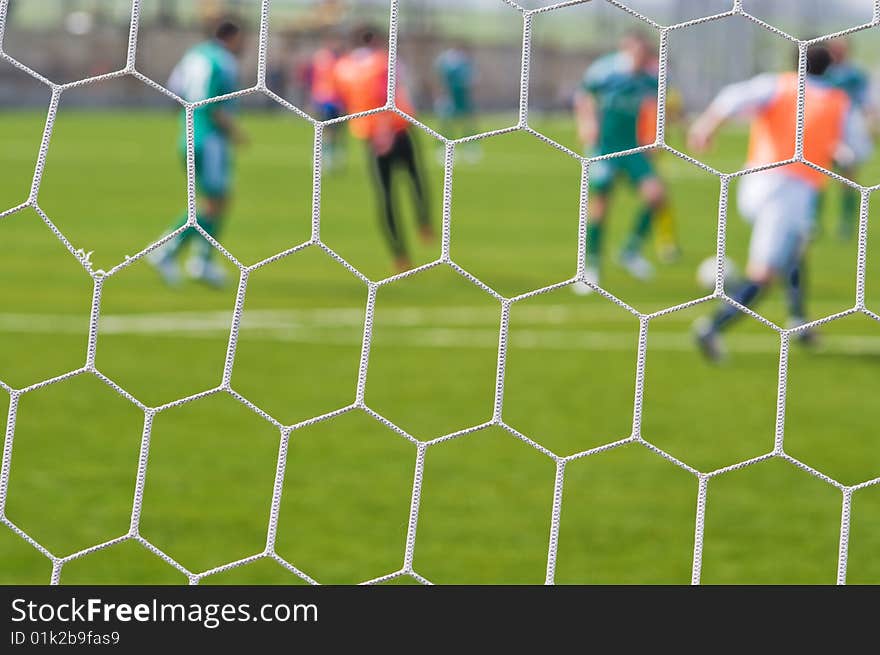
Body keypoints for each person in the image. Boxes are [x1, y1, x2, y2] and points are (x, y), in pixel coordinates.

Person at [687, 44, 871, 362]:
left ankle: (799, 320)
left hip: (755, 181)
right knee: (764, 274)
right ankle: (712, 327)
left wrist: (706, 127)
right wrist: (842, 157)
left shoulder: (777, 84)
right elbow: (859, 149)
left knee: (797, 247)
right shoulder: (838, 102)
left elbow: (731, 97)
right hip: (788, 192)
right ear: (831, 67)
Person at [150, 19, 247, 288]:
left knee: (217, 199)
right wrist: (235, 131)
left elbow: (175, 90)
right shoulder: (224, 61)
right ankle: (170, 251)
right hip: (211, 139)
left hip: (189, 134)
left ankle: (201, 260)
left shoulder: (193, 55)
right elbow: (214, 104)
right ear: (231, 35)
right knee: (214, 201)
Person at [572, 31, 668, 295]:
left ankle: (630, 251)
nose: (639, 59)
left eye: (644, 54)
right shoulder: (605, 71)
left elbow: (660, 105)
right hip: (605, 146)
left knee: (657, 195)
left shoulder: (651, 78)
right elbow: (583, 96)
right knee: (601, 202)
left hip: (634, 147)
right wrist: (587, 122)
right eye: (634, 53)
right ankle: (590, 268)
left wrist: (657, 135)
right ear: (625, 50)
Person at [333, 24, 433, 272]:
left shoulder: (342, 67)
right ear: (377, 40)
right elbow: (385, 93)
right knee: (415, 178)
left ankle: (399, 254)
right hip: (396, 129)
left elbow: (342, 99)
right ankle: (424, 222)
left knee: (386, 195)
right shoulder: (385, 61)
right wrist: (385, 129)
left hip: (369, 135)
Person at [824, 37, 873, 241]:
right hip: (825, 125)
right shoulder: (823, 72)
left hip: (849, 127)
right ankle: (812, 221)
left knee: (848, 174)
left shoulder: (855, 74)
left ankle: (847, 222)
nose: (837, 51)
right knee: (818, 172)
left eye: (841, 48)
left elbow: (866, 101)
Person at [307, 32, 347, 171]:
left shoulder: (341, 59)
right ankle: (322, 159)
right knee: (325, 130)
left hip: (338, 100)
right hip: (324, 100)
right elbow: (314, 79)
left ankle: (334, 158)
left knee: (337, 131)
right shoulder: (322, 58)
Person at [434, 43, 480, 161]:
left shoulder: (466, 63)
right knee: (446, 123)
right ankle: (444, 147)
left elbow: (471, 81)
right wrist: (442, 95)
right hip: (449, 98)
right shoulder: (446, 62)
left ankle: (469, 146)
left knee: (467, 122)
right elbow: (440, 80)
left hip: (463, 99)